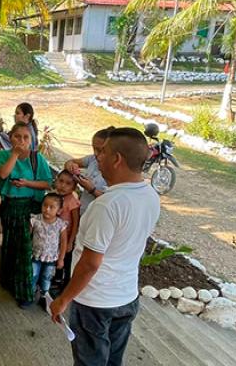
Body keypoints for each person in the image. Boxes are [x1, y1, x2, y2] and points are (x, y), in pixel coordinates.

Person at [50, 127, 161, 366]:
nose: (97, 157)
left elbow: (90, 263)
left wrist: (63, 299)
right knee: (112, 361)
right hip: (126, 296)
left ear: (117, 159)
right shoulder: (151, 195)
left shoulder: (107, 205)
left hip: (95, 301)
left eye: (102, 152)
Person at [0, 122, 53, 307]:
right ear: (10, 138)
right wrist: (14, 154)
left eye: (25, 137)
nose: (21, 141)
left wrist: (27, 183)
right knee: (11, 245)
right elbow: (3, 175)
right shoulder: (3, 155)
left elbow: (47, 183)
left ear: (32, 139)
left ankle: (25, 293)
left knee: (26, 249)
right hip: (10, 207)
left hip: (31, 209)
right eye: (17, 136)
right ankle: (10, 282)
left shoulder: (38, 159)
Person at [64, 126, 115, 215]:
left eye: (99, 150)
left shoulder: (115, 171)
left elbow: (111, 201)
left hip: (96, 216)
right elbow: (69, 162)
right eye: (93, 148)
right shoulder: (92, 160)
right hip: (82, 211)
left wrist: (92, 190)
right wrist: (72, 167)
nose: (95, 153)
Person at [30, 193, 68, 304]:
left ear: (59, 211)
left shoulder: (61, 225)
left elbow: (63, 243)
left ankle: (44, 296)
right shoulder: (35, 220)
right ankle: (29, 295)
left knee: (46, 277)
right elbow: (27, 237)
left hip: (51, 258)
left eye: (52, 207)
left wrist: (61, 259)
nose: (47, 209)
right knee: (33, 275)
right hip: (35, 255)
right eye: (45, 205)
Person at [51, 170, 81, 291]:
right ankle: (57, 279)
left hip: (67, 238)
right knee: (58, 258)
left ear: (74, 187)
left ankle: (66, 284)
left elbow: (75, 223)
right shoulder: (55, 197)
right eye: (61, 181)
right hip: (55, 236)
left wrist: (71, 242)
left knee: (66, 261)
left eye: (68, 183)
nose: (63, 186)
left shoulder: (72, 202)